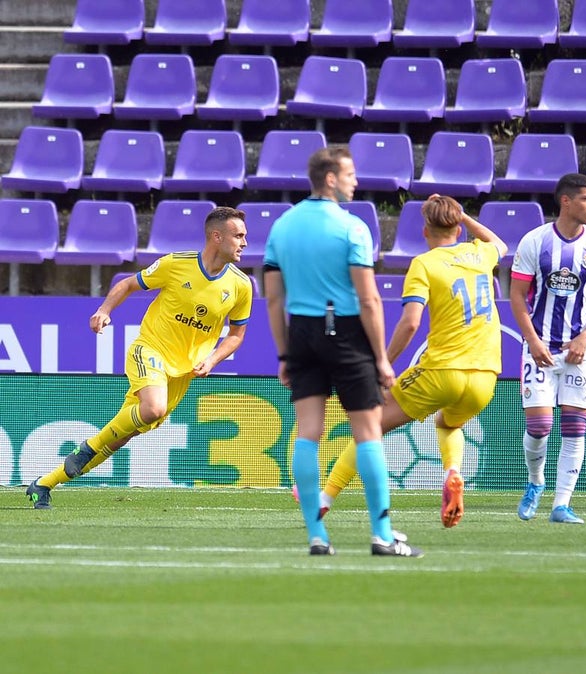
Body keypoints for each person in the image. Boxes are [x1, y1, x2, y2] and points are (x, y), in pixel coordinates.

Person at [27, 207, 254, 509]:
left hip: (182, 372)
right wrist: (104, 311)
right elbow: (128, 284)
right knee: (153, 408)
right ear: (216, 236)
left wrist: (212, 359)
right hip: (150, 349)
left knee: (120, 438)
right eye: (238, 236)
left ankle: (43, 484)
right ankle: (86, 448)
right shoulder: (176, 264)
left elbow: (237, 335)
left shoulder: (241, 285)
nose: (245, 242)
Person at [264, 147, 420, 558]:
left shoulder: (282, 227)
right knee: (368, 432)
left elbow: (273, 300)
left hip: (301, 332)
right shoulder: (352, 228)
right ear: (330, 178)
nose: (355, 180)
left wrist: (283, 354)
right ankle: (382, 535)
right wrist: (382, 358)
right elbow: (369, 299)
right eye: (350, 173)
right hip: (345, 330)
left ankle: (317, 536)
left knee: (308, 432)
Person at [319, 195, 509, 529]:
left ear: (424, 230)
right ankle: (452, 472)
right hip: (485, 376)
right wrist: (463, 216)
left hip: (441, 370)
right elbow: (500, 243)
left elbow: (410, 323)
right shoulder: (480, 254)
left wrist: (384, 361)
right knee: (448, 424)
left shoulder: (425, 264)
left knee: (371, 424)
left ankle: (325, 498)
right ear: (457, 226)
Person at [510, 173, 586, 524]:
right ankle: (535, 481)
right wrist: (533, 340)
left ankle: (561, 504)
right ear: (566, 202)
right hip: (539, 348)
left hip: (579, 352)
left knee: (575, 427)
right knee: (540, 426)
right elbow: (517, 296)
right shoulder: (534, 242)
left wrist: (585, 336)